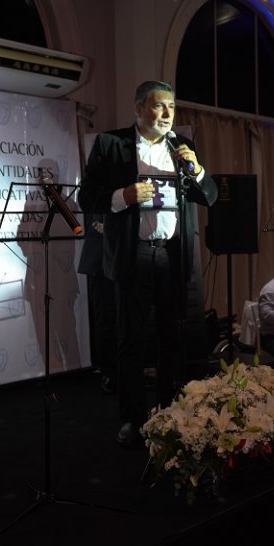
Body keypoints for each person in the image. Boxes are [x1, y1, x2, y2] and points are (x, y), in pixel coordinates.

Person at [78, 80, 218, 448]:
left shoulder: (182, 148)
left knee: (172, 338)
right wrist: (124, 196)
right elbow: (86, 197)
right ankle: (133, 418)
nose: (167, 113)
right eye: (159, 105)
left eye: (172, 106)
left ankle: (170, 413)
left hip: (172, 254)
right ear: (139, 108)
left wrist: (197, 170)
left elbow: (210, 196)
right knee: (132, 340)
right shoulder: (111, 144)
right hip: (134, 253)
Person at [78, 214, 117, 394]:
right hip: (100, 259)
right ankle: (109, 372)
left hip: (126, 258)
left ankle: (127, 371)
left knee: (126, 320)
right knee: (106, 319)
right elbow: (91, 207)